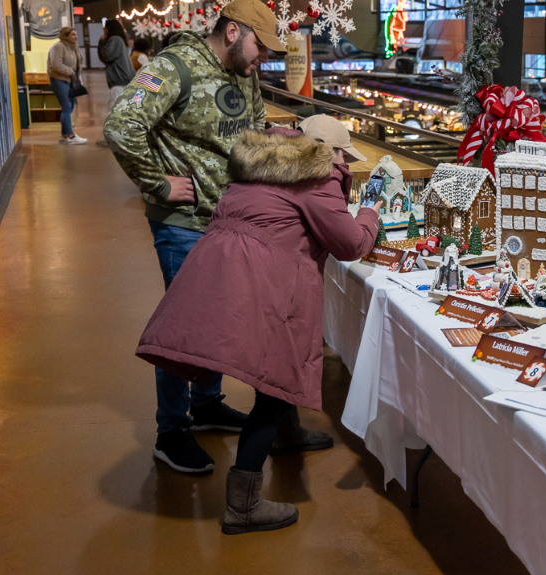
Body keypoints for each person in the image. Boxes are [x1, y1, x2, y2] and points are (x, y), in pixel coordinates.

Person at [136, 125, 379, 534]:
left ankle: (287, 436)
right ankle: (242, 505)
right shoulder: (317, 178)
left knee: (276, 369)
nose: (345, 164)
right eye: (344, 156)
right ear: (327, 151)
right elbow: (352, 244)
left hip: (221, 270)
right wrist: (369, 210)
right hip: (268, 280)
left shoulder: (260, 165)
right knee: (276, 377)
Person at [105, 0, 310, 475]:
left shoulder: (245, 73)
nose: (265, 57)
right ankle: (171, 431)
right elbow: (121, 125)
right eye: (261, 45)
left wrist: (280, 140)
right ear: (234, 32)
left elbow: (252, 129)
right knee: (186, 326)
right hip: (183, 221)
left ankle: (207, 404)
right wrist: (157, 183)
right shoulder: (175, 66)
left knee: (216, 318)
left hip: (230, 218)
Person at [47, 27, 86, 144]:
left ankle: (65, 135)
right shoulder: (58, 47)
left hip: (72, 81)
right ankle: (70, 135)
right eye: (73, 34)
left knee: (70, 106)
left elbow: (78, 64)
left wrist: (78, 78)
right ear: (65, 36)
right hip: (59, 80)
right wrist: (70, 72)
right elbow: (55, 64)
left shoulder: (74, 47)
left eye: (76, 34)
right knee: (66, 106)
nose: (76, 37)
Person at [98, 19, 136, 109]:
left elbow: (106, 56)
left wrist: (102, 42)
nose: (104, 28)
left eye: (105, 26)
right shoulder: (119, 40)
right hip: (124, 80)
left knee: (114, 111)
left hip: (119, 81)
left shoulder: (114, 39)